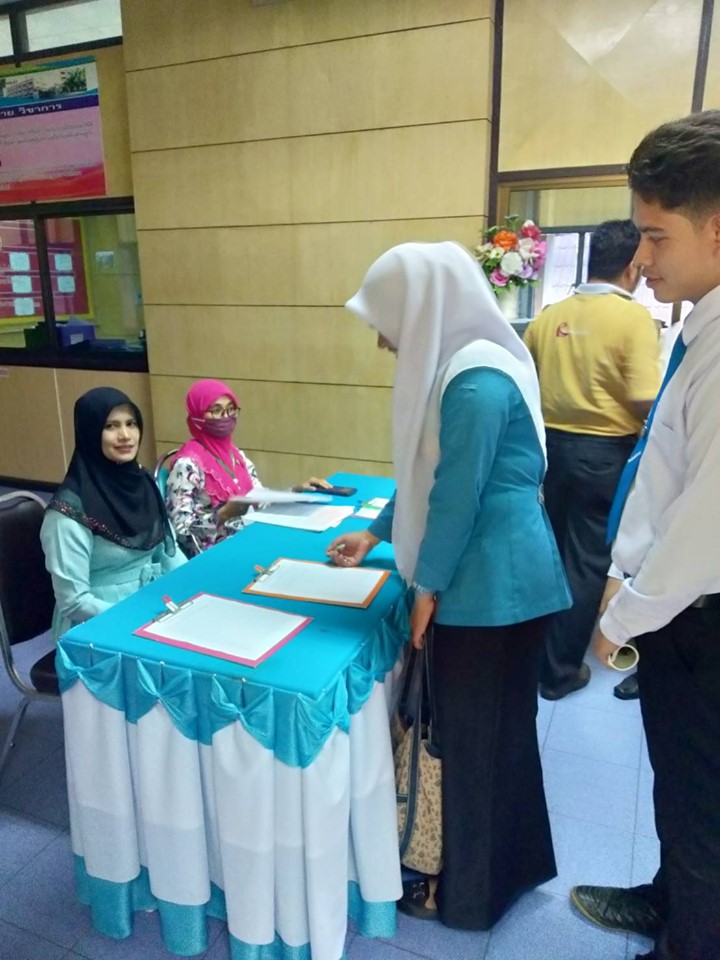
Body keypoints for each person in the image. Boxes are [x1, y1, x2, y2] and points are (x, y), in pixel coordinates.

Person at [326, 241, 571, 930]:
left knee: (473, 744)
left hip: (491, 588)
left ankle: (470, 895)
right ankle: (504, 870)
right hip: (499, 578)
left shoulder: (474, 381)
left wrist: (427, 589)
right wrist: (378, 531)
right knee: (497, 739)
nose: (382, 341)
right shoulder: (471, 364)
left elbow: (457, 497)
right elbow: (435, 474)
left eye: (386, 323)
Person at [572, 110, 720, 960]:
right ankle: (669, 905)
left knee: (703, 807)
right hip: (678, 609)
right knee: (683, 789)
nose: (643, 256)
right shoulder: (702, 325)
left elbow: (708, 527)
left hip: (699, 615)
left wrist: (622, 617)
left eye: (657, 236)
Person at [523, 220, 660, 701]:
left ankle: (536, 655)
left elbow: (525, 379)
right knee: (585, 563)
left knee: (553, 553)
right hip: (604, 455)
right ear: (632, 267)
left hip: (549, 451)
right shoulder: (633, 319)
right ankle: (559, 672)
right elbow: (645, 397)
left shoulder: (549, 316)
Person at [41, 387, 186, 643]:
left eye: (131, 424)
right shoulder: (68, 512)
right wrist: (139, 621)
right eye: (111, 426)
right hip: (97, 627)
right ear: (90, 432)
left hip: (151, 610)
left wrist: (195, 588)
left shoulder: (142, 484)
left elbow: (167, 554)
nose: (125, 435)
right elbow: (74, 603)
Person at [166, 379, 329, 556]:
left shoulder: (236, 455)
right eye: (216, 410)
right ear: (197, 416)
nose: (226, 416)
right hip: (216, 554)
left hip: (250, 538)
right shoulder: (187, 465)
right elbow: (181, 531)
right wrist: (223, 515)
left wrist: (295, 492)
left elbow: (260, 500)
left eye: (231, 409)